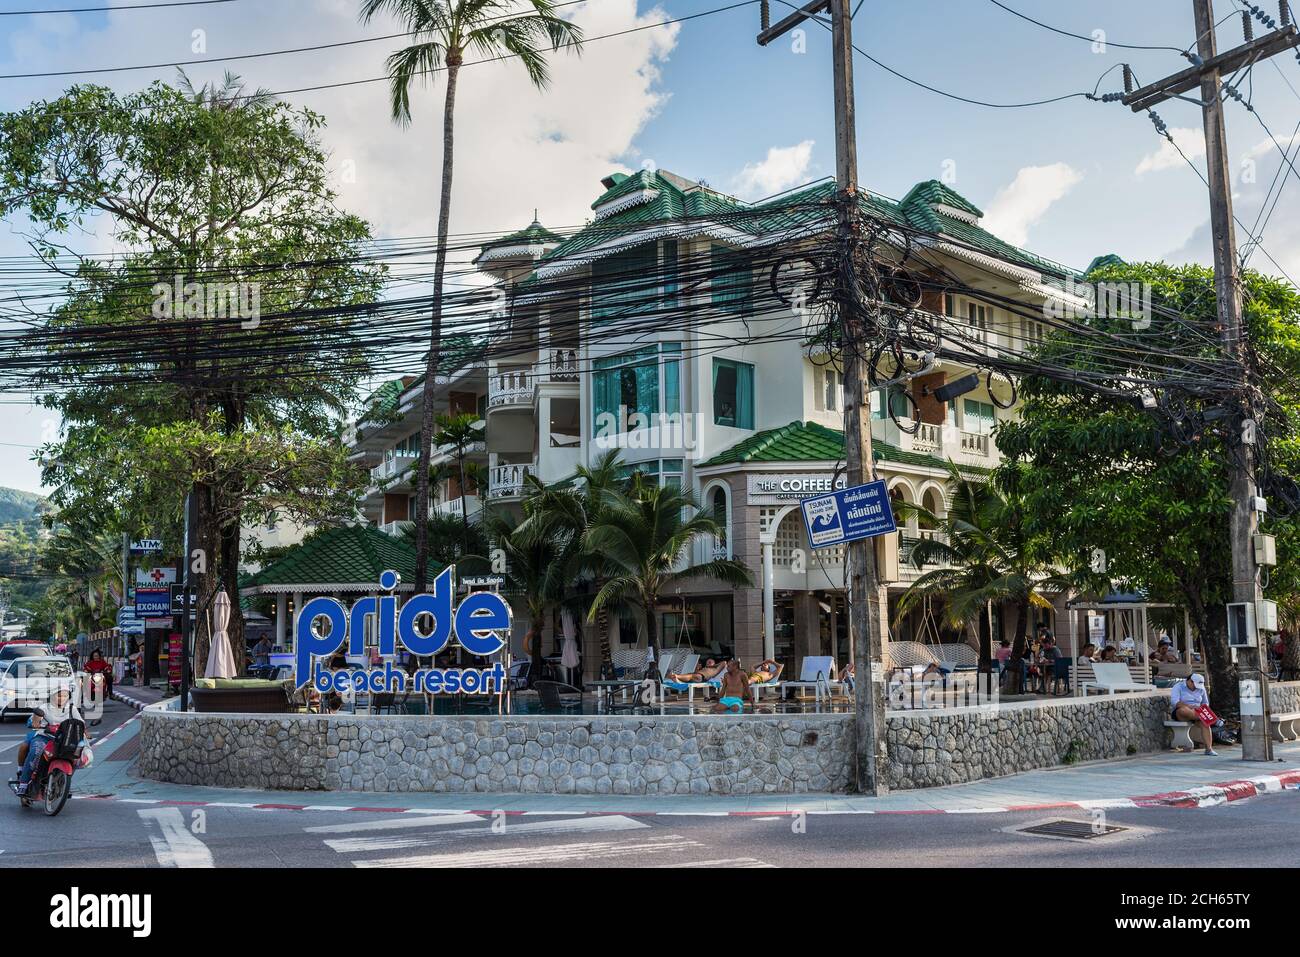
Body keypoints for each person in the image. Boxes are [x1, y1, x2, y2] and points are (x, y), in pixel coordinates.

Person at [16, 688, 85, 795]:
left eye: (65, 696)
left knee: (76, 756)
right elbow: (33, 720)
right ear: (52, 696)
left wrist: (85, 731)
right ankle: (23, 783)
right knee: (35, 751)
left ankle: (63, 781)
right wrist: (35, 722)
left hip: (64, 740)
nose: (62, 698)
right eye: (59, 695)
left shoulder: (72, 709)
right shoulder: (44, 707)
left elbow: (80, 723)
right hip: (45, 737)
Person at [1169, 673, 1217, 755]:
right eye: (1195, 685)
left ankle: (1209, 749)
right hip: (1182, 712)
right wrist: (1190, 707)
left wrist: (1199, 709)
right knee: (1184, 710)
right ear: (1190, 681)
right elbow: (1175, 702)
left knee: (1205, 723)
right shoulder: (1178, 686)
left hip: (1198, 712)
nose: (1196, 688)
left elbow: (1205, 703)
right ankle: (1211, 719)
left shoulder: (1201, 689)